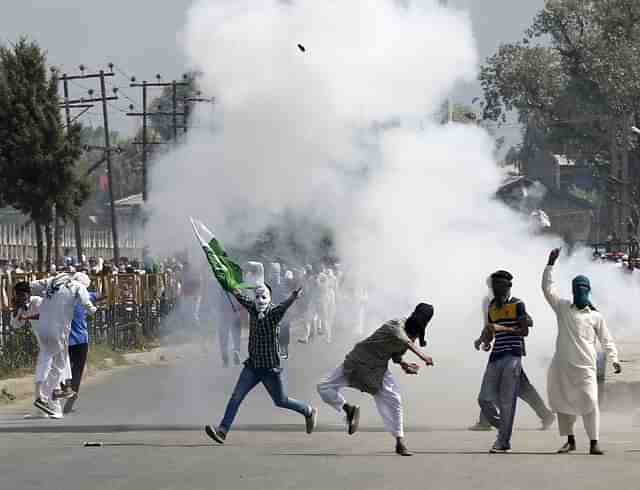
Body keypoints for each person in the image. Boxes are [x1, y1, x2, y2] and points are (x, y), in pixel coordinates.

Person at [204, 283, 317, 444]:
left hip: (270, 369)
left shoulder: (273, 313)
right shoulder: (253, 308)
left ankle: (308, 411)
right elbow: (242, 298)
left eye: (263, 297)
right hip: (253, 366)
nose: (260, 300)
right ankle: (222, 431)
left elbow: (283, 307)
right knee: (236, 397)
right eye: (257, 296)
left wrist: (293, 297)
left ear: (269, 298)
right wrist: (231, 286)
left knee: (281, 401)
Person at [317, 303, 435, 456]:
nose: (414, 335)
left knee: (395, 399)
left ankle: (400, 442)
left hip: (377, 369)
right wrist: (423, 356)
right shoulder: (395, 325)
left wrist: (404, 364)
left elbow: (396, 354)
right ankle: (348, 409)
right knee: (323, 387)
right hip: (358, 361)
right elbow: (404, 340)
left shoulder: (413, 333)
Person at [542, 248, 622, 455]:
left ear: (588, 290)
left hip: (586, 366)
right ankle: (570, 440)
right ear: (572, 290)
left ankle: (594, 442)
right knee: (563, 402)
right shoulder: (562, 307)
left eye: (584, 288)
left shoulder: (595, 316)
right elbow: (547, 289)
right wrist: (550, 264)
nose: (580, 291)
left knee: (590, 401)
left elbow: (607, 339)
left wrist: (614, 359)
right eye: (577, 288)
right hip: (563, 366)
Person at [470, 278, 554, 432]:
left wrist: (509, 325)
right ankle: (545, 415)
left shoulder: (513, 303)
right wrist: (484, 338)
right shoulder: (489, 302)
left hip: (512, 350)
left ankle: (486, 421)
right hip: (501, 349)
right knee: (520, 387)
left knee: (513, 386)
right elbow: (489, 324)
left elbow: (528, 321)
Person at [29, 272, 97, 418]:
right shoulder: (78, 287)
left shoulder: (52, 281)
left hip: (43, 329)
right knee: (59, 366)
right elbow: (88, 305)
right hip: (59, 332)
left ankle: (44, 400)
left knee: (45, 362)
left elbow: (32, 285)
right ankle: (44, 397)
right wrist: (93, 310)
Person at [477, 270, 529, 453]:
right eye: (494, 286)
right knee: (484, 399)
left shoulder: (518, 304)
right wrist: (483, 339)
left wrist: (503, 328)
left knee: (507, 401)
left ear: (508, 287)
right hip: (495, 356)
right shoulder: (491, 305)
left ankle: (503, 440)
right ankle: (504, 427)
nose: (496, 290)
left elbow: (524, 331)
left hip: (513, 356)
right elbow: (490, 329)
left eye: (500, 286)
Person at [10, 282, 48, 419]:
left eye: (22, 294)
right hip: (44, 343)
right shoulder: (22, 306)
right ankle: (46, 407)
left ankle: (42, 405)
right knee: (46, 375)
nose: (20, 297)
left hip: (52, 341)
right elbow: (16, 325)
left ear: (28, 294)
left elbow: (46, 316)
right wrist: (16, 310)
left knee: (42, 374)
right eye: (17, 295)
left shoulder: (38, 302)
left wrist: (27, 316)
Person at [62, 272, 98, 414]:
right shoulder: (86, 296)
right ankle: (73, 394)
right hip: (81, 339)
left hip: (65, 338)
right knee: (77, 369)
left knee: (63, 367)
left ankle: (64, 388)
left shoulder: (63, 297)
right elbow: (102, 294)